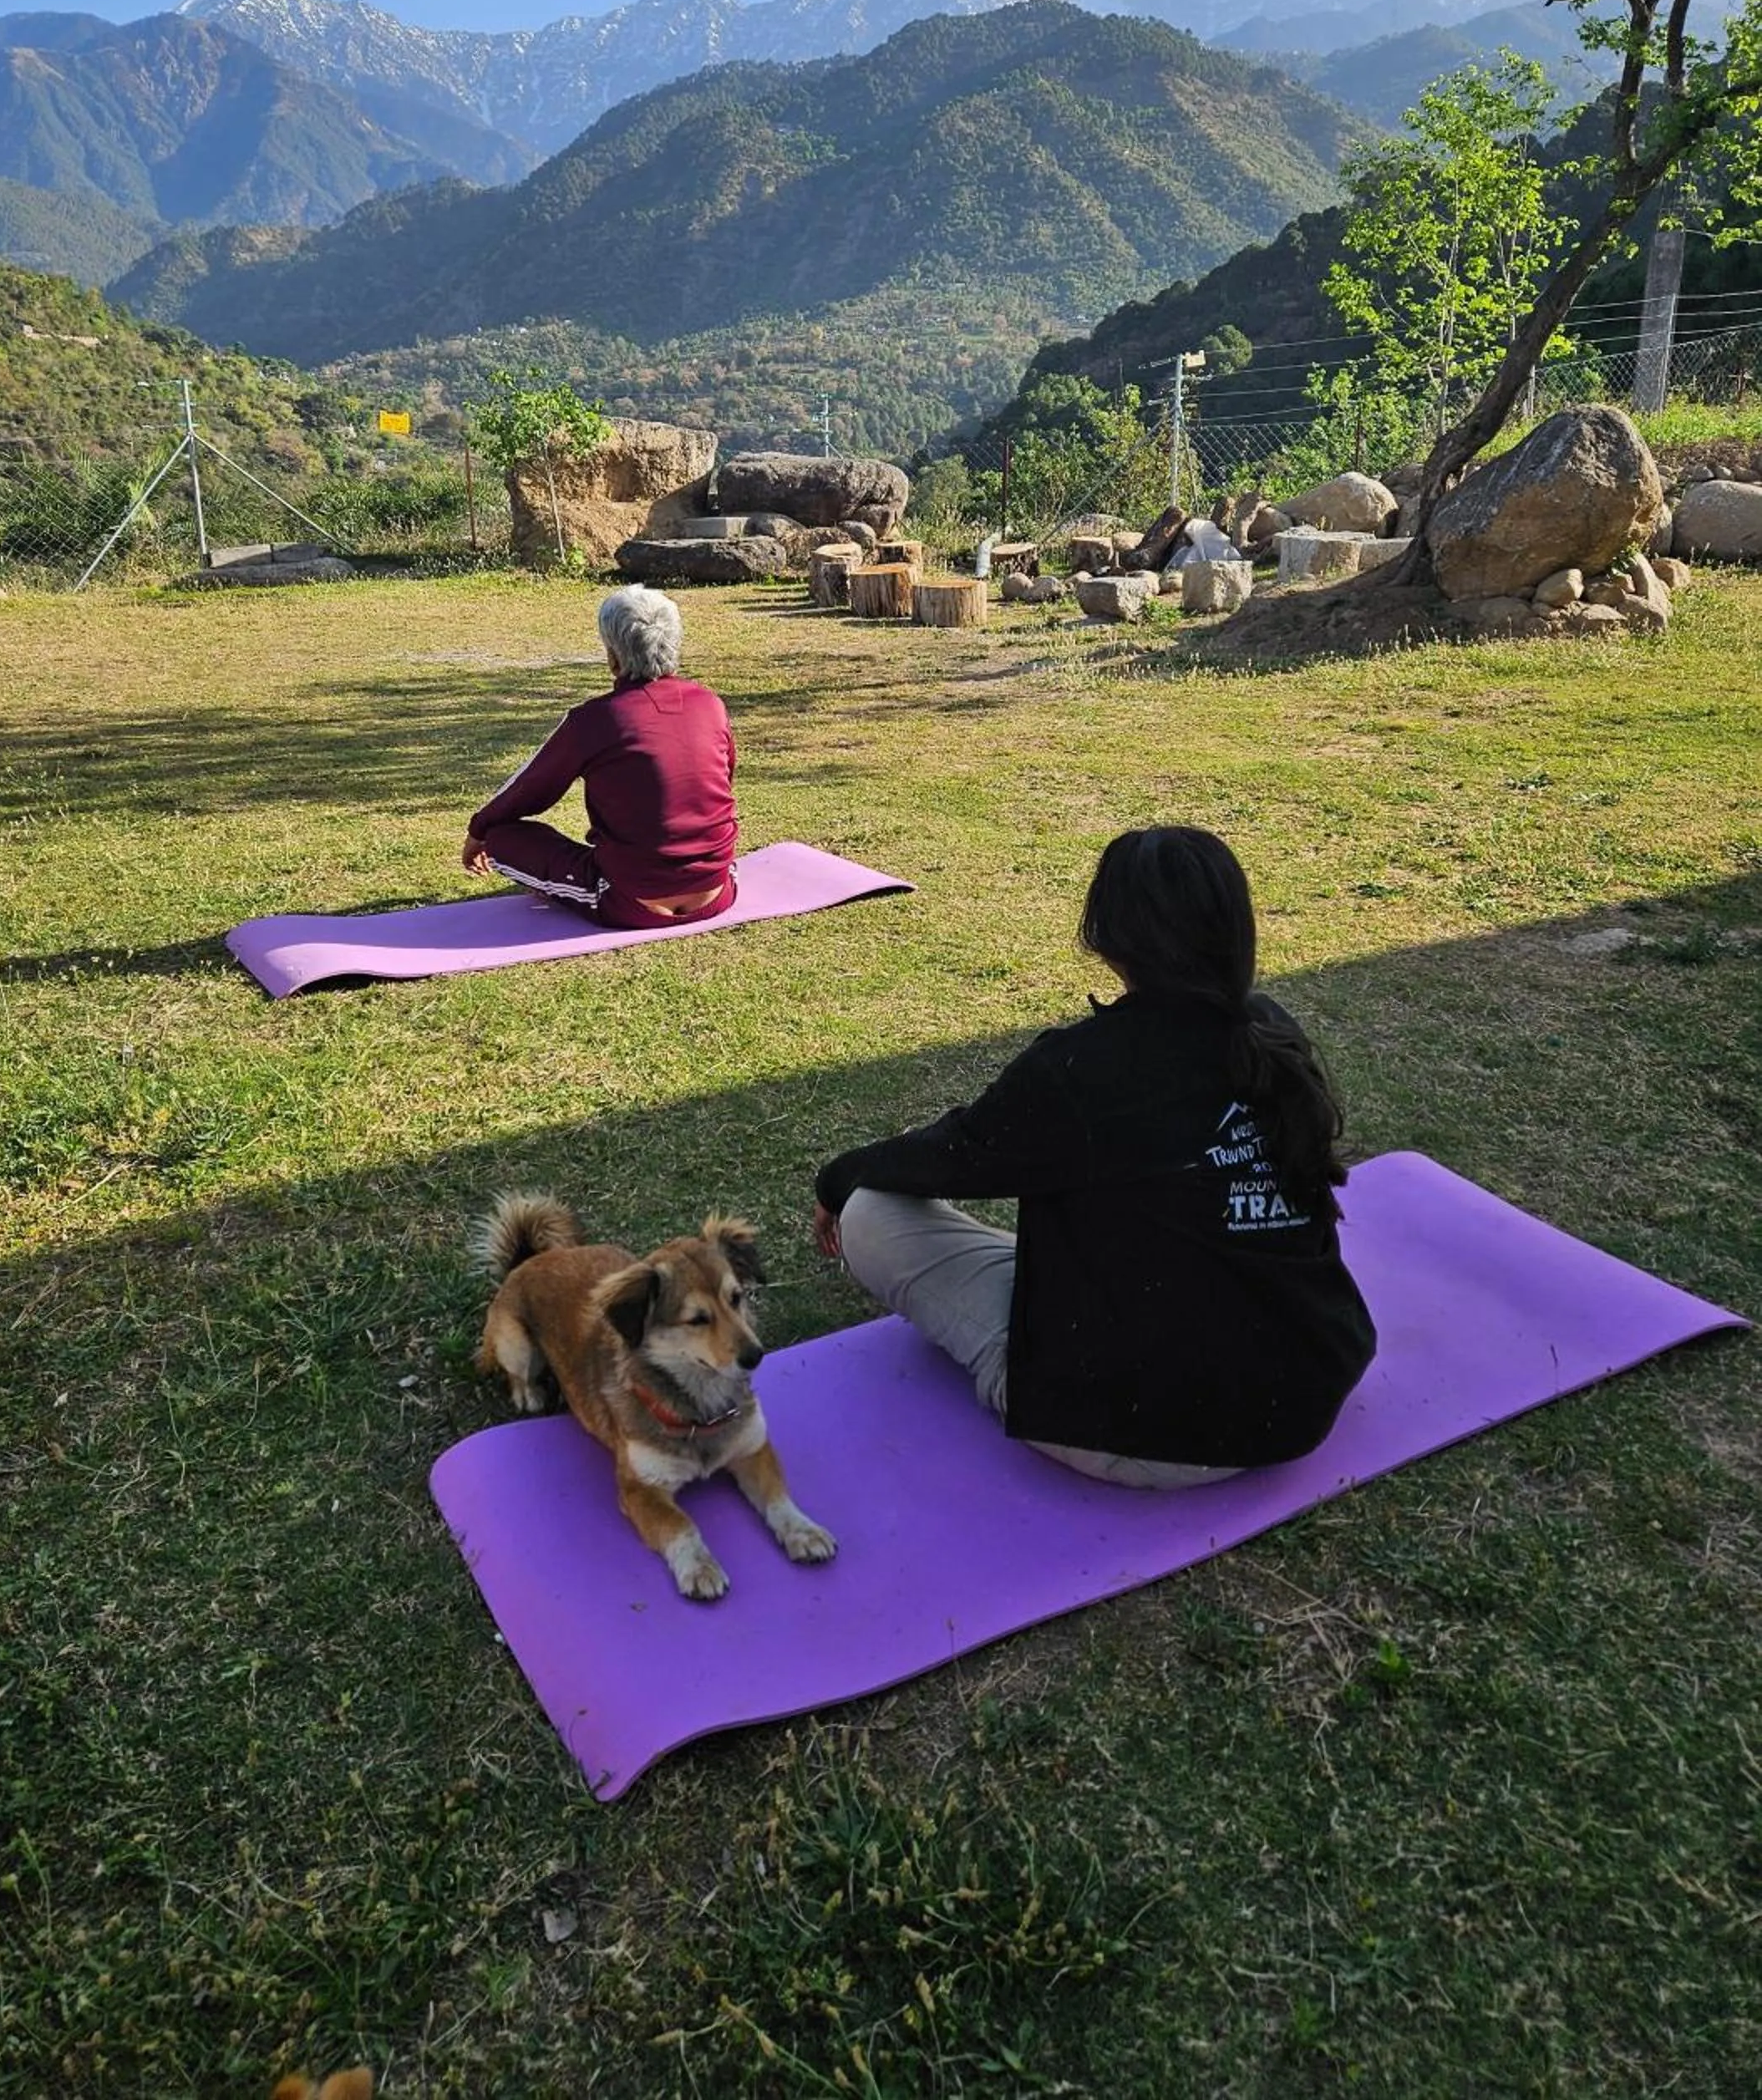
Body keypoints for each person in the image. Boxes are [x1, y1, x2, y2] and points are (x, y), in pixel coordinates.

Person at [813, 826, 1375, 1487]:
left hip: (1145, 1432)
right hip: (1309, 1385)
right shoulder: (1269, 1027)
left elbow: (955, 1154)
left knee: (872, 1215)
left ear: (1107, 941)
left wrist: (839, 1180)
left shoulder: (1081, 1070)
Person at [462, 585, 739, 928]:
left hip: (628, 901)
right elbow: (722, 779)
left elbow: (530, 789)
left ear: (613, 656)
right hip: (719, 890)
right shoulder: (710, 704)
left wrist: (479, 830)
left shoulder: (594, 720)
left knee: (501, 838)